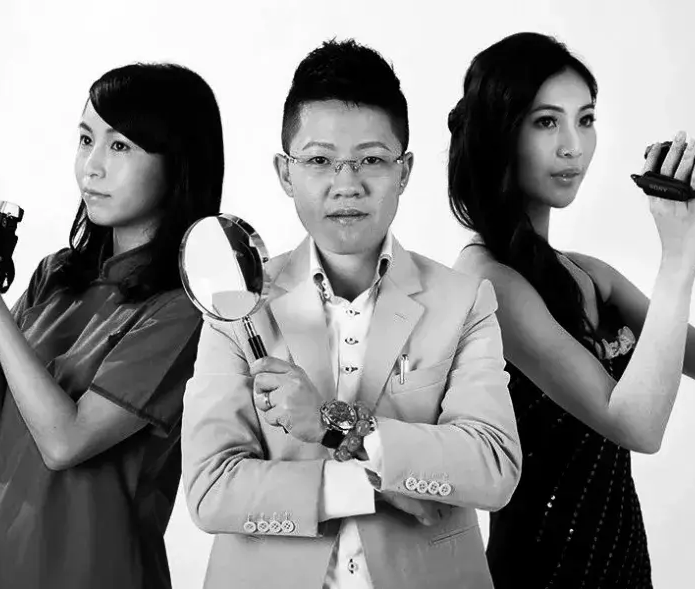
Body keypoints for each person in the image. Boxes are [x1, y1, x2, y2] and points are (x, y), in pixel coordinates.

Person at [447, 32, 695, 588]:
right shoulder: (487, 283)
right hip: (543, 574)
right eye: (546, 122)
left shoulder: (587, 274)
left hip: (625, 566)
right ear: (500, 131)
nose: (573, 146)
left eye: (585, 119)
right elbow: (637, 426)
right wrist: (678, 262)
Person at [181, 39, 522, 589]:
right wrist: (367, 487)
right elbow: (210, 489)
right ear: (285, 173)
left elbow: (492, 467)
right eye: (319, 160)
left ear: (404, 171)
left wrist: (332, 423)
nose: (347, 184)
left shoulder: (464, 300)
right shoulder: (237, 302)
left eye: (372, 159)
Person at [0, 62, 225, 589]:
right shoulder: (57, 276)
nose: (91, 167)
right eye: (86, 140)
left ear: (179, 164)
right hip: (1, 564)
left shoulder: (183, 309)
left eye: (120, 146)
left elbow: (65, 442)